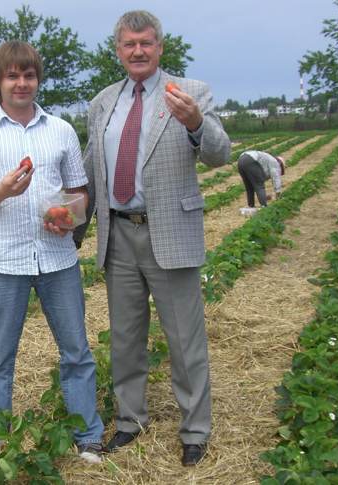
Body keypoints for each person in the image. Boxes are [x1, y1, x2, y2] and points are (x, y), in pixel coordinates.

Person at [74, 10, 231, 466]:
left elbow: (220, 155)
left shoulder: (189, 93)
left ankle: (195, 430)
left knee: (184, 339)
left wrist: (197, 123)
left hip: (169, 232)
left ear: (160, 47)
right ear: (118, 51)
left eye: (146, 43)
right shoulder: (103, 102)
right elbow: (91, 169)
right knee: (124, 337)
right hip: (118, 233)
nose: (138, 51)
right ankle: (130, 421)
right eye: (129, 44)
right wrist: (73, 224)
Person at [0, 40, 104, 464]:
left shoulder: (60, 131)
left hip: (58, 260)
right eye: (13, 75)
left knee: (76, 351)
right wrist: (1, 190)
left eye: (29, 75)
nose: (22, 83)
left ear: (38, 80)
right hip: (3, 261)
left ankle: (87, 435)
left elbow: (79, 195)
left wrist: (68, 217)